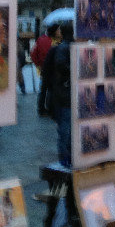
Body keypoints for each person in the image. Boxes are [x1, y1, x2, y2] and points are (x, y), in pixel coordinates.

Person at [45, 23, 74, 167]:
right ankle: (65, 161)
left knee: (66, 131)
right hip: (64, 97)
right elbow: (61, 68)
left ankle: (66, 160)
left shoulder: (62, 48)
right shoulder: (64, 48)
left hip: (64, 96)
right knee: (65, 131)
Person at [33, 24, 59, 116]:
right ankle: (50, 108)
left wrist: (38, 65)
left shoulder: (40, 39)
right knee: (51, 89)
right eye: (58, 30)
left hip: (43, 68)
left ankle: (40, 109)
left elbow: (33, 53)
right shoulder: (54, 42)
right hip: (53, 69)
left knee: (43, 89)